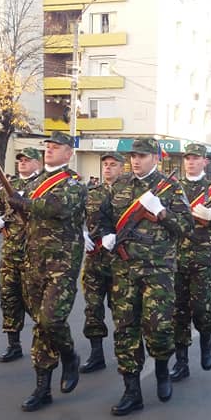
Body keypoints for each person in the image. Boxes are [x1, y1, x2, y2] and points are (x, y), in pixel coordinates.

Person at [96, 137, 193, 416]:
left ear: (155, 158)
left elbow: (186, 226)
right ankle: (132, 390)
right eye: (133, 156)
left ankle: (162, 371)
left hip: (158, 270)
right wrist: (106, 235)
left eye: (142, 155)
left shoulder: (171, 188)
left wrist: (161, 212)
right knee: (125, 329)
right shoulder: (121, 185)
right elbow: (102, 216)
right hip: (124, 270)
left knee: (159, 328)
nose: (135, 160)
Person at [6, 131, 86, 412]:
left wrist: (22, 203)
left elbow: (56, 208)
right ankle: (43, 387)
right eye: (48, 146)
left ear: (69, 153)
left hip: (61, 264)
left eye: (56, 147)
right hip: (33, 261)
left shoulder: (73, 183)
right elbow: (19, 214)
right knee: (40, 322)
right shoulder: (33, 182)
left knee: (51, 319)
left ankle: (69, 355)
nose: (50, 150)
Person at [170, 144, 211, 382]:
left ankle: (206, 339)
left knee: (201, 308)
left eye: (195, 158)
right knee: (178, 311)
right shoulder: (172, 188)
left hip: (204, 258)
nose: (190, 162)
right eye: (187, 158)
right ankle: (181, 361)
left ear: (204, 162)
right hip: (175, 259)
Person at [0, 148, 42, 363]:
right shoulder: (7, 184)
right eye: (20, 160)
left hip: (33, 253)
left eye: (27, 160)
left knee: (36, 303)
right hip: (10, 252)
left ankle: (47, 343)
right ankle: (14, 344)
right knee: (9, 299)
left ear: (37, 163)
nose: (22, 163)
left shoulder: (42, 185)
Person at [78, 151, 124, 373]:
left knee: (121, 312)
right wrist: (82, 233)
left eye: (113, 164)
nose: (108, 168)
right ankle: (96, 354)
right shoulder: (91, 193)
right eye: (105, 164)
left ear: (121, 168)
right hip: (95, 260)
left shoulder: (129, 193)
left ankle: (125, 355)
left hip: (120, 262)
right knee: (93, 309)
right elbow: (76, 217)